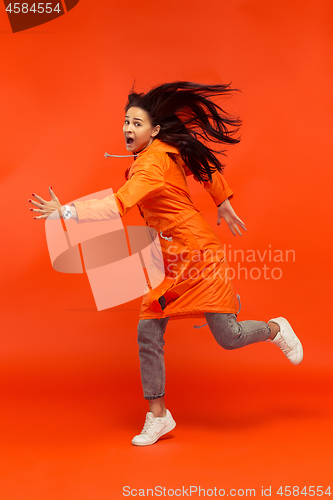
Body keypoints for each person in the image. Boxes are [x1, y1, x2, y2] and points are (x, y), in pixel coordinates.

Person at [29, 81, 303, 447]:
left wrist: (65, 210)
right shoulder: (163, 150)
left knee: (229, 336)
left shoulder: (152, 164)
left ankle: (274, 329)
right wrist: (220, 199)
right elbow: (202, 164)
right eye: (126, 121)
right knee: (148, 327)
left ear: (153, 130)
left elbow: (119, 204)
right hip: (172, 259)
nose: (128, 128)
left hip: (199, 255)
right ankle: (158, 416)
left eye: (136, 123)